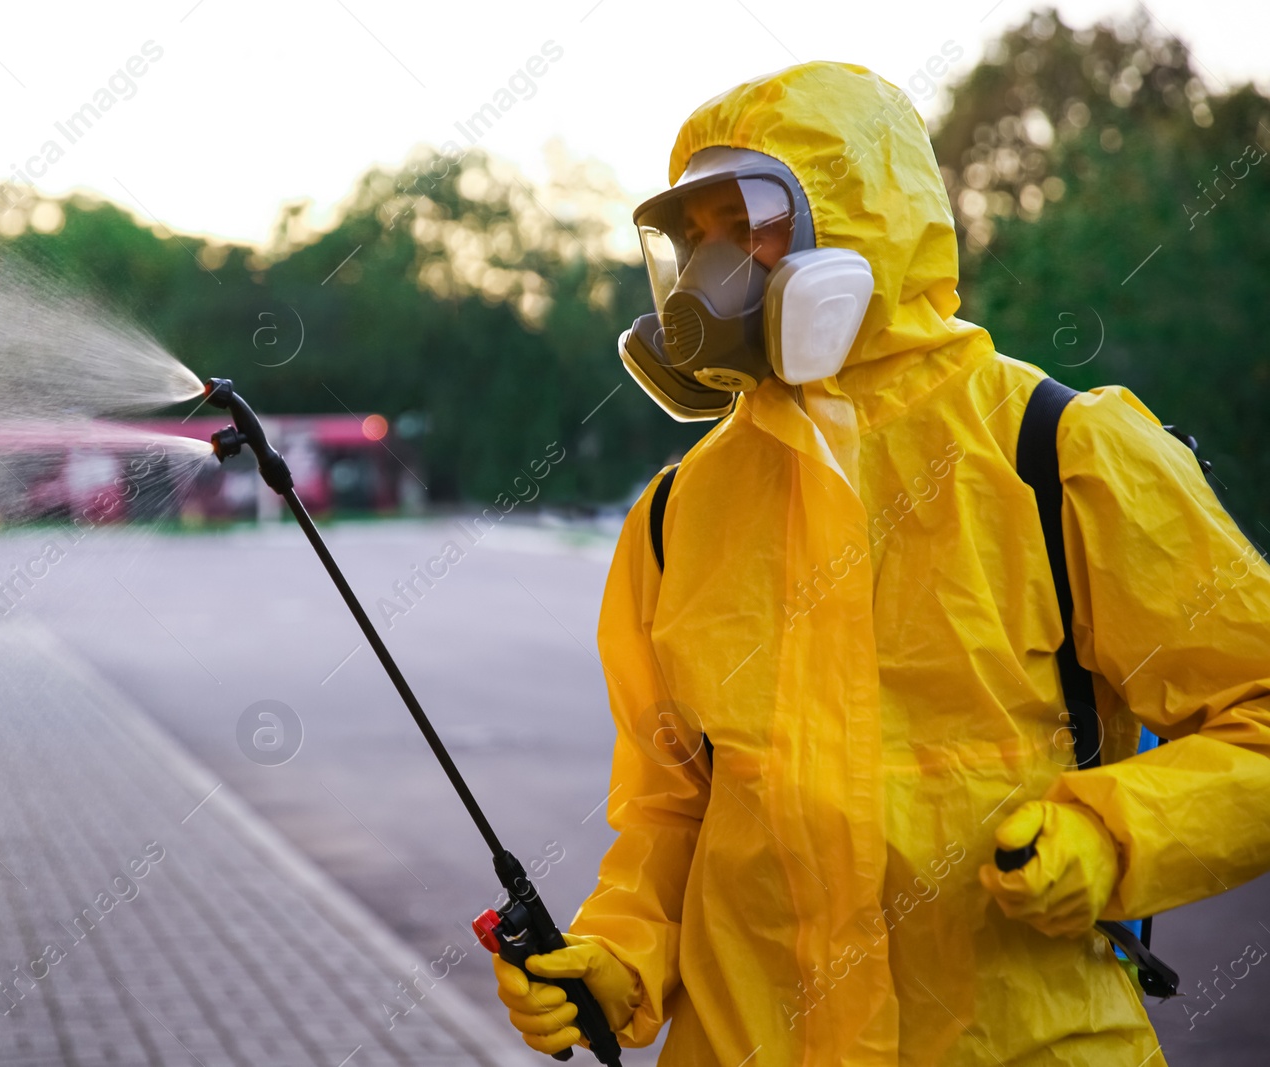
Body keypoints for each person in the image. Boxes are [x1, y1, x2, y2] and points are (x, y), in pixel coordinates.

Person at [491, 61, 1270, 1065]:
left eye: (751, 226)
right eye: (697, 239)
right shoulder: (675, 514)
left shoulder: (1057, 452)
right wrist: (621, 951)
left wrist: (1109, 832)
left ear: (862, 224)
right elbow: (670, 809)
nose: (712, 272)